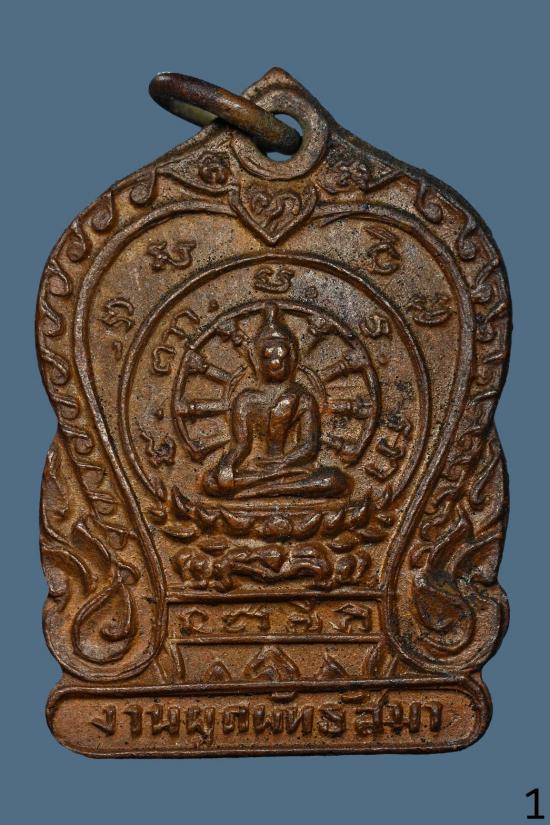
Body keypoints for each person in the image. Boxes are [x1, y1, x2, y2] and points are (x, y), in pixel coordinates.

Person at [202, 303, 350, 499]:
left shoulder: (303, 398)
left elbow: (309, 445)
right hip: (257, 469)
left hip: (290, 469)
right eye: (267, 356)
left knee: (334, 479)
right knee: (211, 481)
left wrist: (283, 462)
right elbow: (241, 446)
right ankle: (269, 488)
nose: (275, 363)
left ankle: (263, 491)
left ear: (293, 358)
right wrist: (227, 464)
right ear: (257, 361)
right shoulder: (245, 400)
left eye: (282, 356)